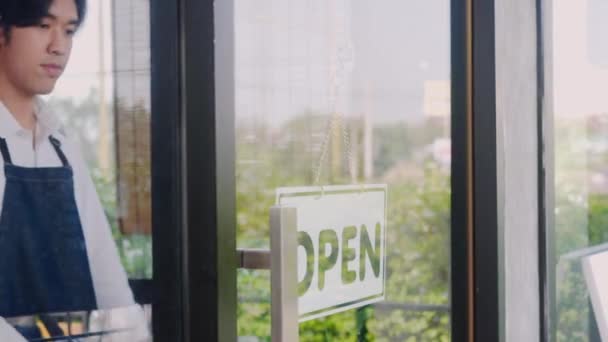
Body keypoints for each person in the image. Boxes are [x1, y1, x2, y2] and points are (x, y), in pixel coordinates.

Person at [0, 0, 149, 340]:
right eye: (43, 26)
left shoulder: (62, 147)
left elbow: (105, 272)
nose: (59, 46)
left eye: (68, 31)